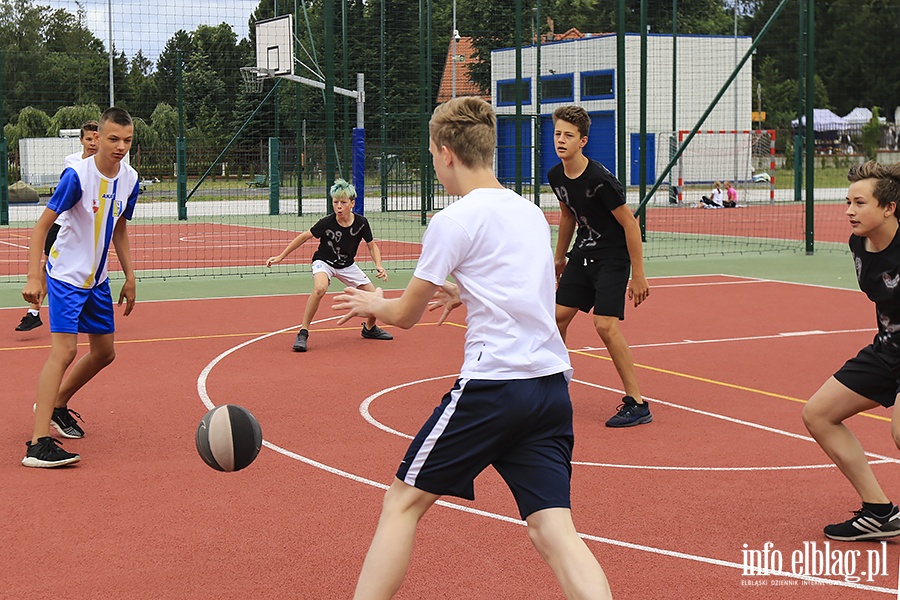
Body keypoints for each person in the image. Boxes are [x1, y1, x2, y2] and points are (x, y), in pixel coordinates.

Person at [332, 97, 612, 599]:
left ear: (445, 154)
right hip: (549, 390)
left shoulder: (452, 220)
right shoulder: (530, 214)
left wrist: (372, 302)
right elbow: (529, 287)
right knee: (554, 531)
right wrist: (469, 290)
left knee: (401, 503)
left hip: (493, 388)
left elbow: (407, 316)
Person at [21, 107, 138, 468]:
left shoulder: (130, 179)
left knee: (105, 353)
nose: (120, 146)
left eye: (127, 140)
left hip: (97, 280)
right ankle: (37, 445)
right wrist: (34, 275)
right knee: (65, 351)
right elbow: (41, 227)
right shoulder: (77, 176)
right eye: (113, 139)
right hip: (66, 276)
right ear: (97, 138)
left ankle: (56, 404)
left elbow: (118, 227)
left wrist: (130, 276)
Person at [802, 161, 900, 541]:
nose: (849, 211)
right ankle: (879, 513)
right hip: (887, 350)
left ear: (889, 207)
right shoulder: (858, 244)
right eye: (848, 202)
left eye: (859, 203)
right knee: (818, 414)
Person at [549, 105, 651, 428]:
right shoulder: (555, 176)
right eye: (557, 134)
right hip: (583, 253)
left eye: (568, 135)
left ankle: (637, 402)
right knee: (556, 319)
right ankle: (554, 387)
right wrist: (559, 256)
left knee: (605, 325)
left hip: (612, 257)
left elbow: (630, 226)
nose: (561, 140)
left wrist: (638, 275)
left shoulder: (600, 179)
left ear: (583, 141)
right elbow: (567, 216)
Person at [266, 178, 393, 352]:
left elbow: (372, 245)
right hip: (324, 262)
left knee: (376, 299)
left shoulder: (361, 223)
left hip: (347, 265)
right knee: (320, 288)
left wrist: (379, 265)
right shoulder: (327, 222)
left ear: (352, 203)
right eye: (335, 202)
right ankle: (303, 332)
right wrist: (281, 256)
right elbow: (304, 237)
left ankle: (370, 329)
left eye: (343, 202)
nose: (338, 206)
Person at [15, 120, 99, 332]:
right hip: (62, 224)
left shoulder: (107, 168)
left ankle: (44, 311)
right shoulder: (72, 163)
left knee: (83, 266)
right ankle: (35, 312)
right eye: (88, 138)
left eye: (96, 138)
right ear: (81, 140)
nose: (92, 143)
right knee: (49, 266)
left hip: (85, 227)